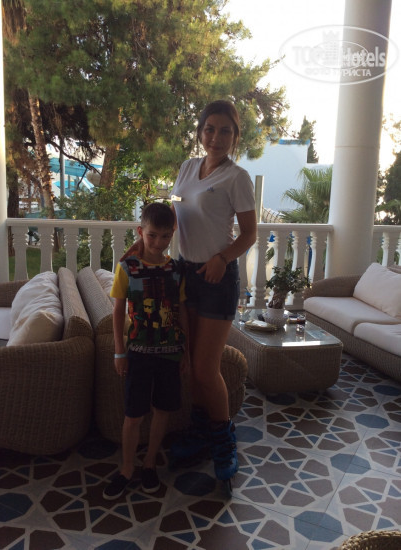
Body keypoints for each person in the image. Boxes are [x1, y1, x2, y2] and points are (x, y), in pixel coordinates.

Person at [168, 100, 257, 484]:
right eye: (209, 129)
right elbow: (177, 215)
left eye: (224, 131)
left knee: (206, 367)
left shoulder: (237, 177)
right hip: (185, 274)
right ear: (200, 132)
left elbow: (250, 234)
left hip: (218, 278)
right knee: (190, 364)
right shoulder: (188, 168)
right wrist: (148, 242)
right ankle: (201, 431)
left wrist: (222, 257)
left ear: (235, 137)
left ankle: (223, 441)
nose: (215, 137)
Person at [103, 202, 188, 500]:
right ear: (141, 232)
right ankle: (127, 468)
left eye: (165, 236)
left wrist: (186, 352)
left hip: (170, 352)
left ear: (172, 235)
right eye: (152, 235)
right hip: (137, 353)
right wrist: (119, 352)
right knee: (133, 414)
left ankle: (149, 463)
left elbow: (181, 311)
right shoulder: (127, 268)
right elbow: (117, 311)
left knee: (162, 411)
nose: (158, 242)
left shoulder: (176, 270)